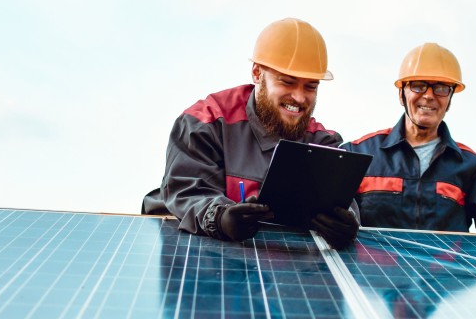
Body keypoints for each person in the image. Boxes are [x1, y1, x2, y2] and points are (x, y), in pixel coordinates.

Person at [141, 18, 359, 248]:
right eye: (287, 82)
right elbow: (186, 190)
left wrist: (346, 223)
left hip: (284, 274)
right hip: (200, 262)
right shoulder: (206, 122)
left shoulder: (324, 145)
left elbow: (343, 203)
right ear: (257, 73)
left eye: (310, 86)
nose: (299, 97)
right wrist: (220, 218)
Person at [340, 43, 476, 243]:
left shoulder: (472, 167)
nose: (429, 96)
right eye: (418, 86)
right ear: (401, 94)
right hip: (373, 282)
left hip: (441, 283)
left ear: (450, 99)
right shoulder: (358, 154)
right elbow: (329, 216)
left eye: (441, 88)